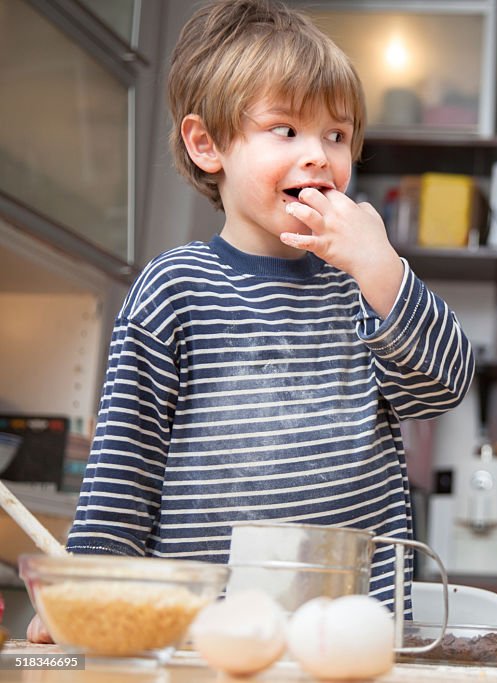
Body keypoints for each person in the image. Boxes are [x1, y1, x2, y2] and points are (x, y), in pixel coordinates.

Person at [28, 0, 473, 641]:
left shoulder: (363, 286)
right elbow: (123, 476)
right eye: (286, 130)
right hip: (205, 638)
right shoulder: (173, 290)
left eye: (337, 135)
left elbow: (444, 387)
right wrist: (83, 593)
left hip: (355, 634)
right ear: (208, 144)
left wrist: (383, 270)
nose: (318, 155)